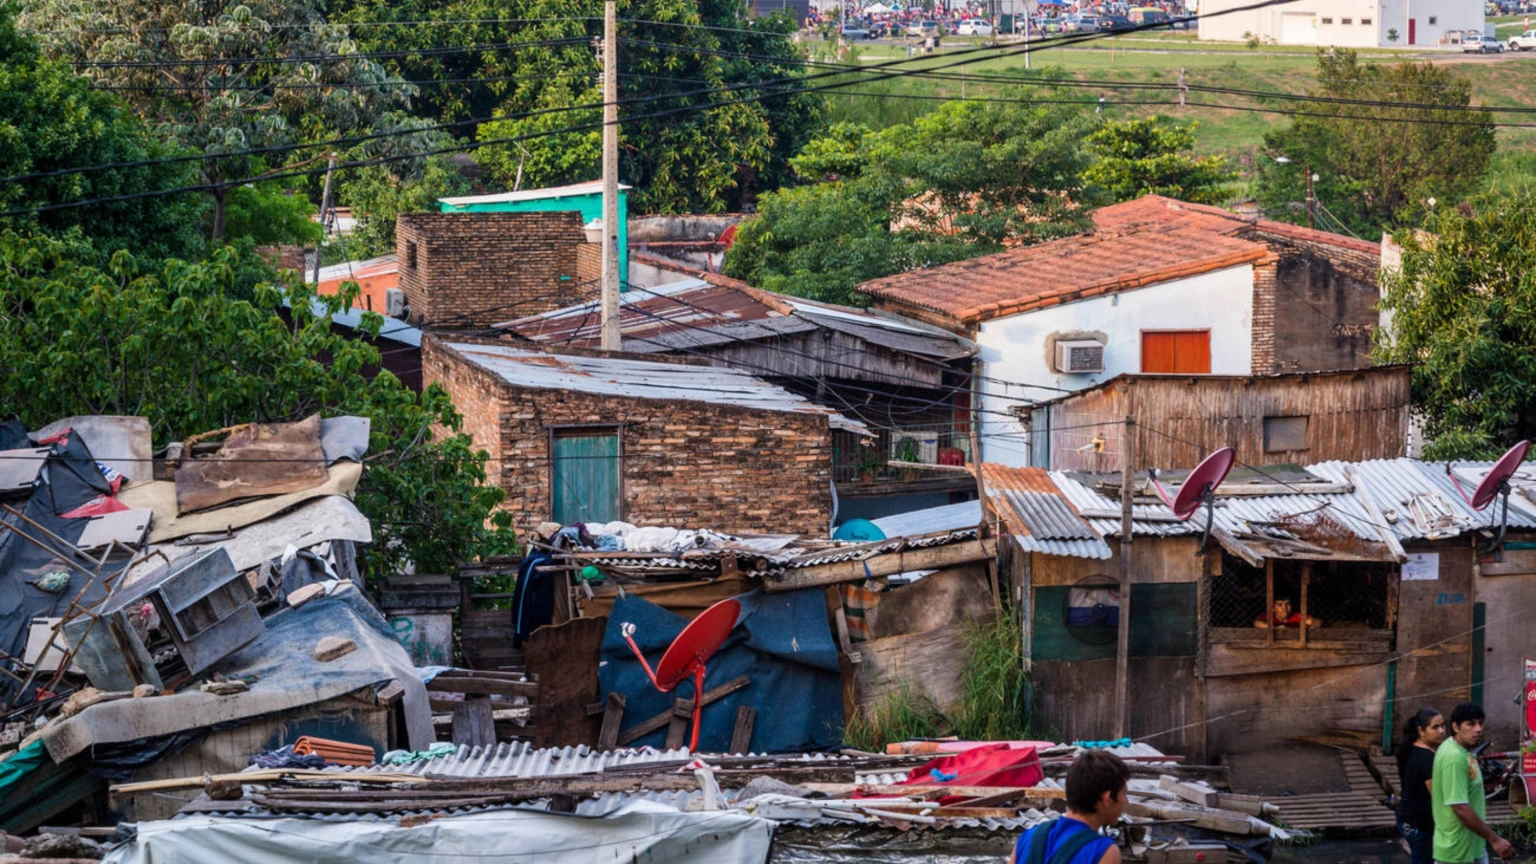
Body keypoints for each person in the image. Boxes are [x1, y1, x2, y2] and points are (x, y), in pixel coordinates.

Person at [1009, 750, 1129, 864]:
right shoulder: (1103, 851)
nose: (1126, 801)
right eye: (1123, 794)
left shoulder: (1027, 839)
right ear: (1107, 798)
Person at [1431, 702, 1516, 864]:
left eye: (1480, 723)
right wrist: (1494, 839)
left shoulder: (1463, 752)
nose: (1478, 729)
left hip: (1472, 845)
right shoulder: (1453, 757)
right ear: (1455, 727)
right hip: (1457, 851)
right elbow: (1459, 807)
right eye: (1470, 724)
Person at [1397, 707, 1447, 864]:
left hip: (1407, 819)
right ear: (1421, 730)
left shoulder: (1410, 749)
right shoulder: (1427, 759)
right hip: (1420, 824)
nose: (1441, 731)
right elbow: (1437, 797)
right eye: (1435, 727)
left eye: (1443, 725)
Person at [1253, 597, 1319, 629]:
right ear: (1273, 608)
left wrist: (1310, 624)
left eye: (1287, 604)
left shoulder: (1296, 616)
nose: (1284, 608)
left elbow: (1317, 622)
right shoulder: (1269, 616)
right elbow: (1256, 623)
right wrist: (1275, 628)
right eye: (1280, 605)